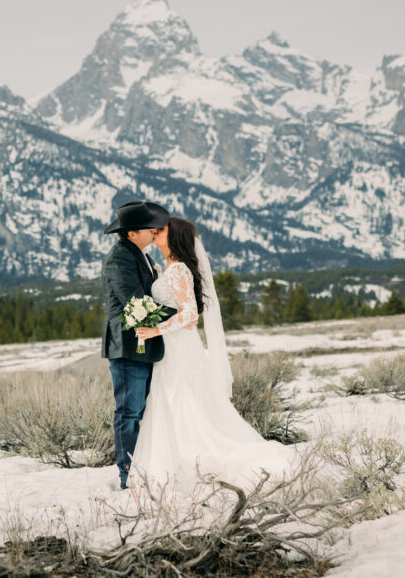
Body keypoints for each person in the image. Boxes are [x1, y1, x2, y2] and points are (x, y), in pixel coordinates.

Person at [132, 217, 292, 490]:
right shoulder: (167, 268)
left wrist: (154, 329)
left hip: (181, 347)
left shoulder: (179, 269)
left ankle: (191, 461)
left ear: (176, 237)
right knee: (169, 399)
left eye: (163, 229)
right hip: (171, 348)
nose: (156, 231)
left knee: (184, 399)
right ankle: (170, 462)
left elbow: (190, 315)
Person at [100, 200, 175, 490]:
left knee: (143, 411)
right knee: (129, 412)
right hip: (129, 345)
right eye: (149, 228)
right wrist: (178, 313)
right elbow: (136, 303)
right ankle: (128, 474)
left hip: (145, 342)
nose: (155, 230)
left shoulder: (138, 253)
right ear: (132, 233)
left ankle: (145, 467)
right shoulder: (120, 258)